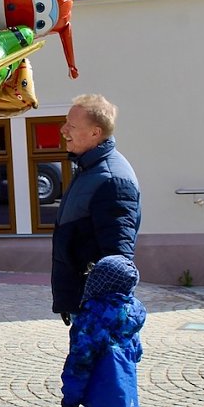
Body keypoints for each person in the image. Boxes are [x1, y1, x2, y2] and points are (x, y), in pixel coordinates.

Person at [52, 94, 141, 321]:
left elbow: (117, 261)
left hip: (95, 310)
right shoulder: (90, 169)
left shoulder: (111, 179)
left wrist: (100, 318)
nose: (63, 130)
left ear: (95, 133)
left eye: (71, 126)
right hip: (82, 302)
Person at [59, 255, 146, 407]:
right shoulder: (130, 316)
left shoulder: (91, 319)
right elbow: (137, 354)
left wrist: (69, 406)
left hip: (102, 405)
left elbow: (79, 365)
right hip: (129, 401)